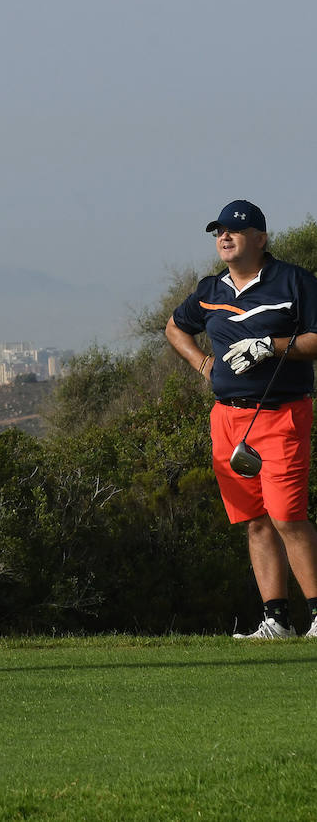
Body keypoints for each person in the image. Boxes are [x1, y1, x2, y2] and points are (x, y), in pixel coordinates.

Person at [165, 199, 317, 640]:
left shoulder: (293, 281)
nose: (224, 237)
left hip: (282, 413)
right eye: (219, 232)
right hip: (228, 420)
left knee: (288, 516)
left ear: (261, 238)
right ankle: (276, 620)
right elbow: (175, 327)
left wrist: (273, 344)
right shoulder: (210, 290)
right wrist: (202, 364)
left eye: (235, 230)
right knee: (255, 520)